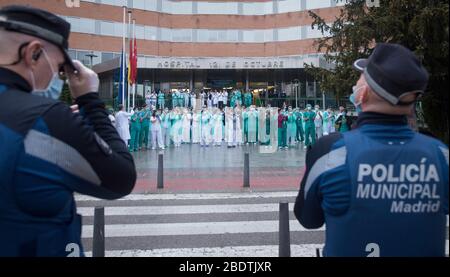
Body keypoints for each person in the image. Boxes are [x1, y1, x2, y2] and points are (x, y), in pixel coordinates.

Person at [0, 5, 136, 256]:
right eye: (61, 68)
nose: (61, 77)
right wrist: (90, 102)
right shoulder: (44, 120)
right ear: (33, 53)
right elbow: (121, 178)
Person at [294, 43, 448, 257]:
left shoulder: (329, 151)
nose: (355, 84)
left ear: (363, 94)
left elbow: (308, 219)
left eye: (360, 78)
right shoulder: (440, 155)